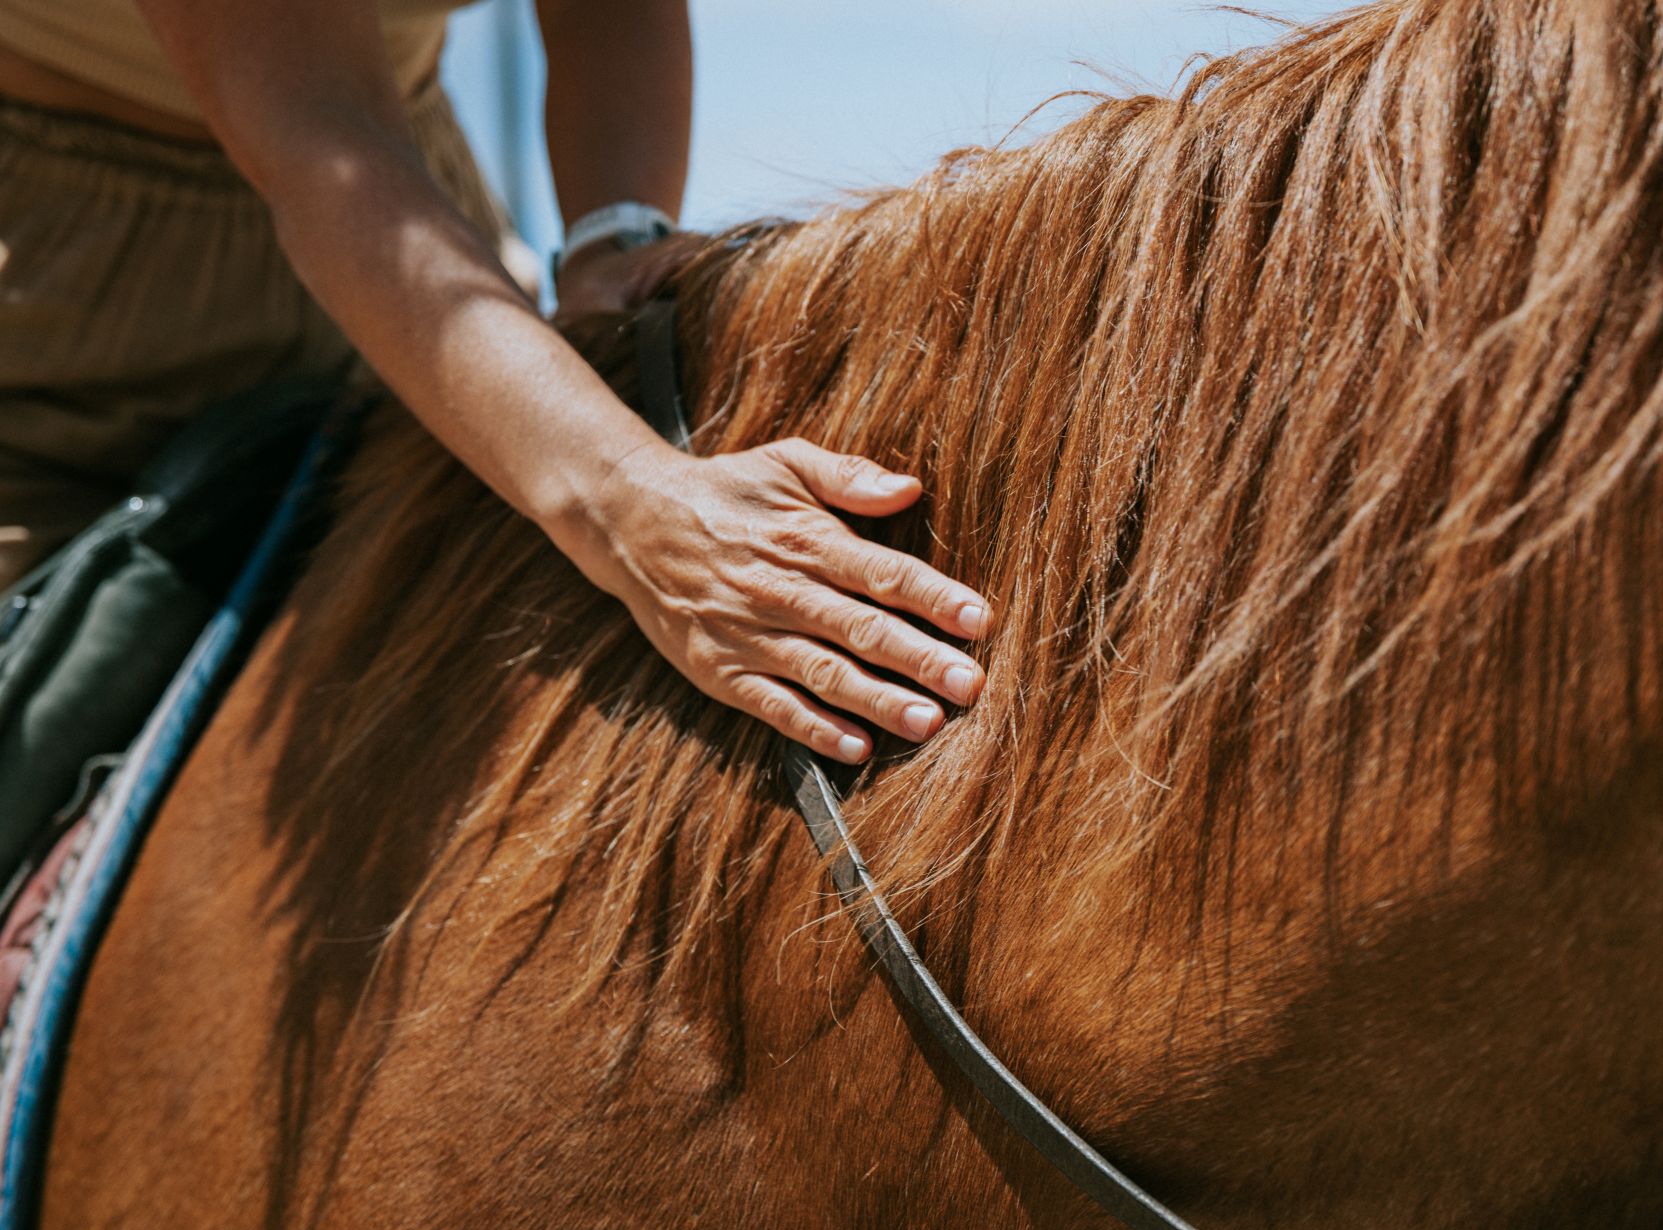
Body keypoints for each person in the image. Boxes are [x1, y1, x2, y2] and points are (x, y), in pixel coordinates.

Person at [0, 0, 989, 766]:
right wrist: (630, 500)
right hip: (62, 286)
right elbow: (318, 133)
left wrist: (614, 231)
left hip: (411, 215)